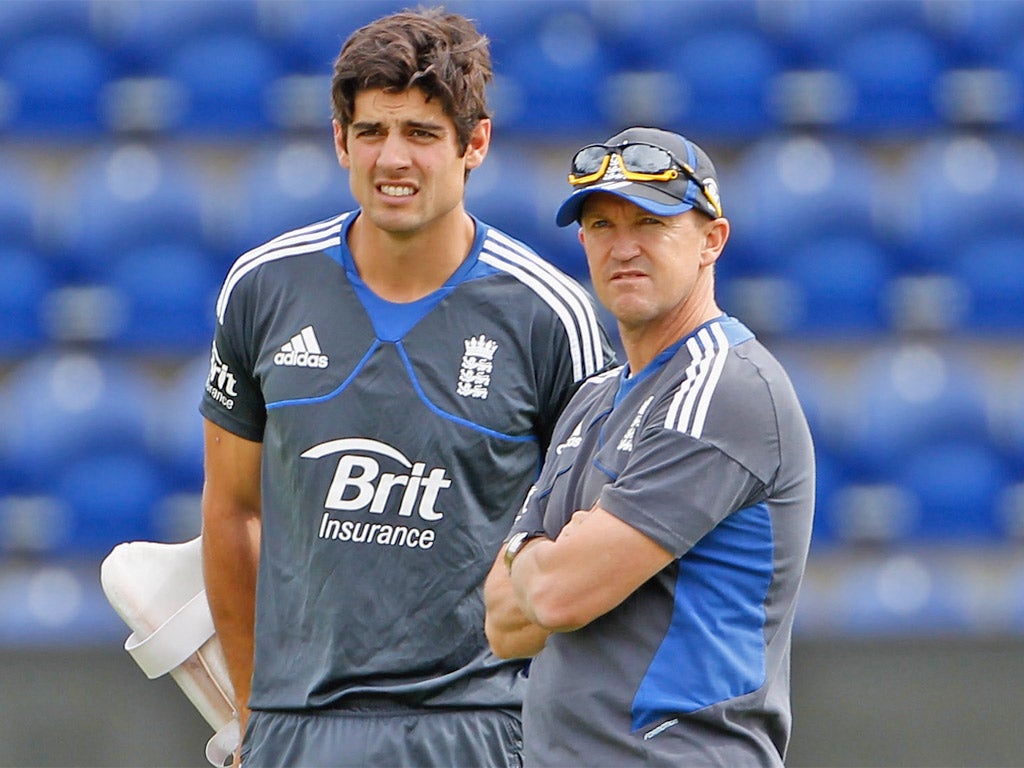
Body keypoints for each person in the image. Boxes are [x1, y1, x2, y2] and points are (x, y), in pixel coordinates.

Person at [199, 7, 615, 767]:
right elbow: (232, 511)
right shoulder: (262, 289)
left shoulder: (551, 318)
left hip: (480, 726)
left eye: (422, 134)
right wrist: (253, 707)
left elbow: (593, 547)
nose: (393, 158)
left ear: (475, 143)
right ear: (339, 141)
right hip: (297, 730)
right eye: (372, 132)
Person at [484, 126, 815, 768]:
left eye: (651, 224)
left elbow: (552, 599)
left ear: (710, 242)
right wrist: (549, 558)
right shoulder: (595, 397)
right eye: (602, 225)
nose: (623, 247)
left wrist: (532, 554)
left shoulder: (725, 388)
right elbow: (503, 623)